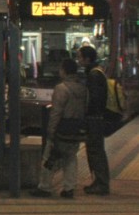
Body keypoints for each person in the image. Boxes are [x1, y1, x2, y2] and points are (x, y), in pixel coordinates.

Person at [30, 58, 87, 198]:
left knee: (49, 157)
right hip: (76, 128)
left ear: (64, 71)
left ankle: (45, 187)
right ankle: (69, 188)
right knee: (71, 158)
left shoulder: (61, 88)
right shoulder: (83, 88)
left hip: (62, 128)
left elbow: (56, 112)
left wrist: (51, 130)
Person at [77, 45, 111, 195]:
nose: (78, 60)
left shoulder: (94, 75)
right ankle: (99, 181)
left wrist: (87, 115)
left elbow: (94, 99)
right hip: (97, 117)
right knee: (96, 150)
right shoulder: (97, 72)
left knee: (95, 151)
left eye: (80, 57)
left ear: (87, 58)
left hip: (95, 118)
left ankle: (101, 183)